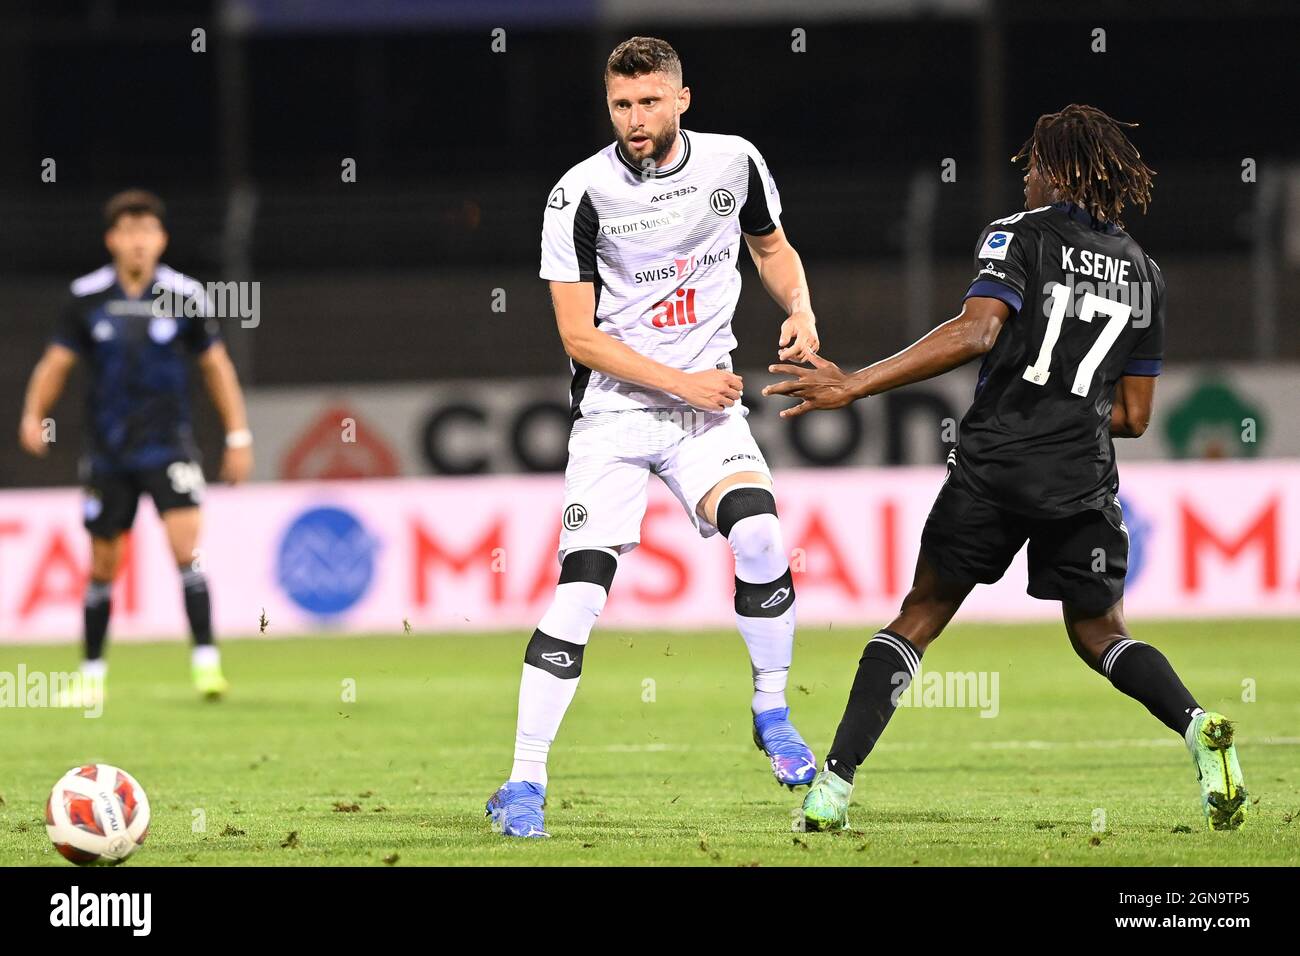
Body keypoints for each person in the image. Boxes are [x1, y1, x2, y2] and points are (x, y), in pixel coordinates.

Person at [765, 105, 1247, 833]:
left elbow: (978, 329)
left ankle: (832, 788)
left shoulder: (1020, 235)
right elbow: (1136, 416)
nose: (1024, 177)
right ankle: (1194, 723)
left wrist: (853, 384)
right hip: (1081, 475)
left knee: (920, 616)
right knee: (1099, 632)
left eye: (1032, 164)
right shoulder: (1146, 272)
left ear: (1059, 169)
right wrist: (1071, 407)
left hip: (996, 463)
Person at [19, 189, 253, 704]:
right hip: (108, 453)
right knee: (103, 563)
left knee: (186, 552)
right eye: (128, 231)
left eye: (147, 231)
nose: (138, 241)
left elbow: (216, 368)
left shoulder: (186, 295)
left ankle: (206, 666)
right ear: (112, 240)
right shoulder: (87, 296)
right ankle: (92, 674)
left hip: (169, 447)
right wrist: (34, 413)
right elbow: (55, 363)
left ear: (161, 239)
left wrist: (238, 434)